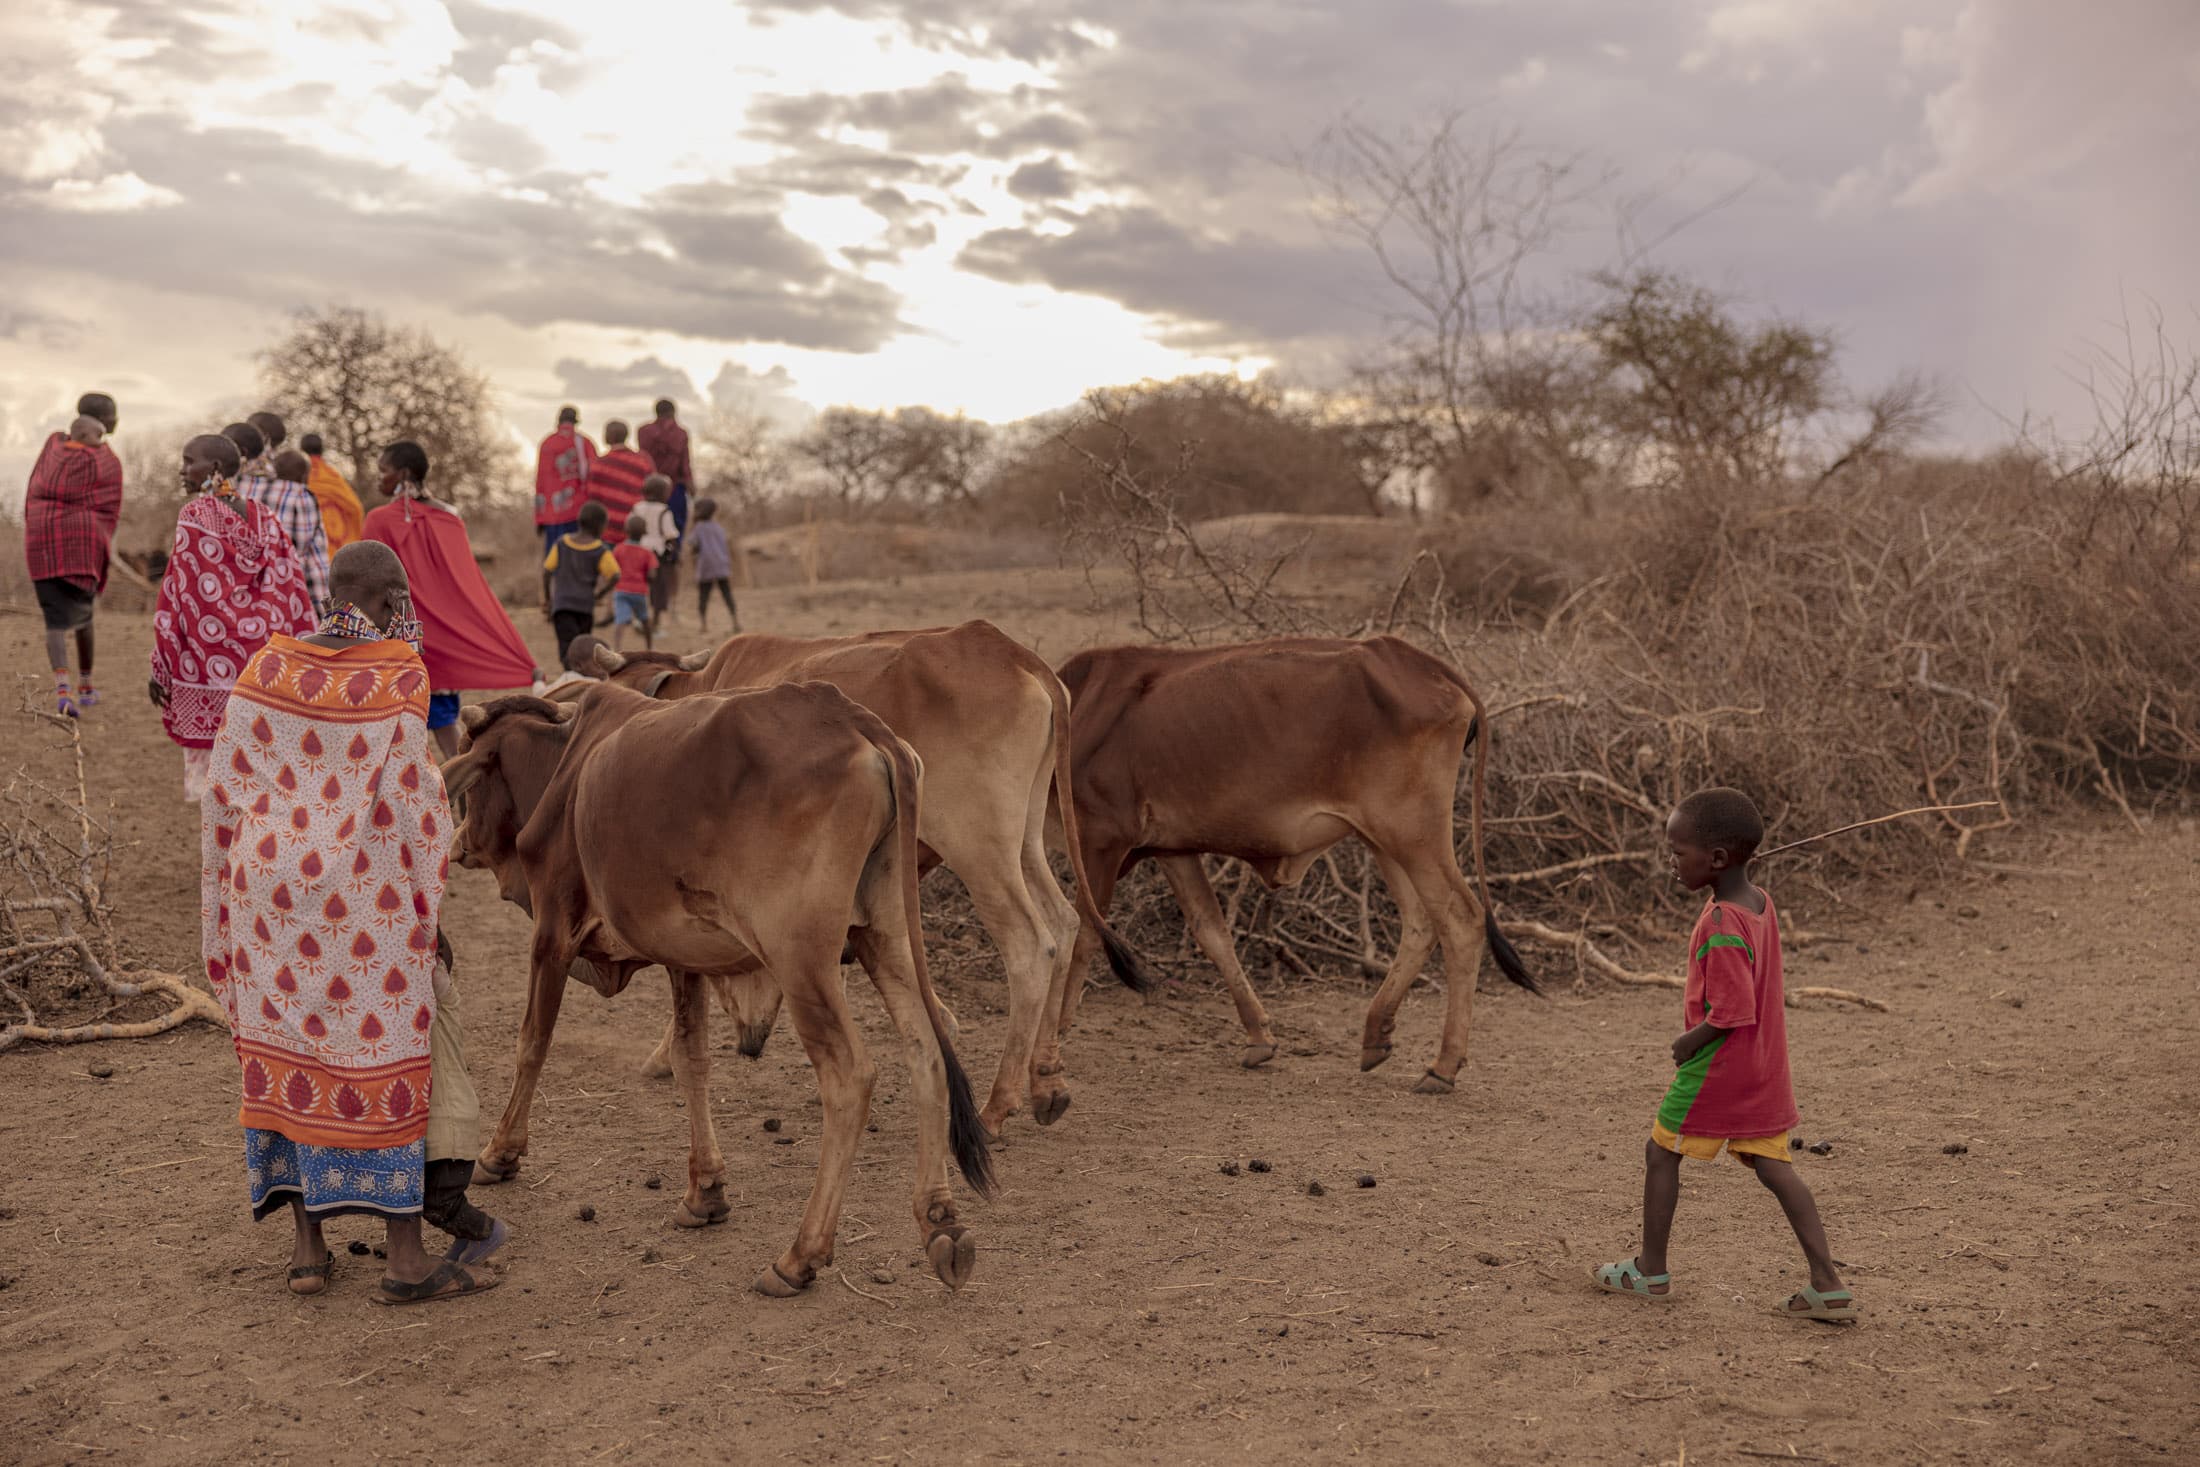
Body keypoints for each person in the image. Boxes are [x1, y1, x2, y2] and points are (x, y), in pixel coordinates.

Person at [203, 541, 503, 1305]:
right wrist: (428, 914)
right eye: (403, 598)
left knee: (295, 1049)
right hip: (362, 906)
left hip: (267, 898)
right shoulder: (398, 674)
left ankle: (309, 1252)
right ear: (389, 597)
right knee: (385, 1058)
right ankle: (405, 1260)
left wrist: (230, 908)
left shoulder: (263, 672)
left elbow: (224, 793)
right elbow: (416, 808)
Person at [1593, 787, 1856, 1323]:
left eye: (1677, 851)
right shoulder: (1759, 904)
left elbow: (1731, 1011)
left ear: (1716, 859)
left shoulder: (1720, 923)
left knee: (1661, 1151)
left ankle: (1650, 1270)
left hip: (1719, 1067)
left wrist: (1689, 1041)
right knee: (1774, 1165)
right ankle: (1827, 1284)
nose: (1670, 862)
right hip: (1763, 1069)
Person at [149, 434, 315, 799]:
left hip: (210, 666)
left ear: (215, 469)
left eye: (188, 460)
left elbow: (180, 595)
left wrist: (162, 664)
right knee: (264, 784)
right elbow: (293, 592)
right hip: (265, 665)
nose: (182, 469)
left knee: (222, 794)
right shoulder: (267, 518)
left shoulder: (195, 515)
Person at [362, 441, 538, 758]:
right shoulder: (449, 516)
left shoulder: (378, 520)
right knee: (444, 724)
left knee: (389, 725)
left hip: (396, 636)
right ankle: (460, 788)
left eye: (383, 471)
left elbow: (370, 580)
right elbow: (461, 583)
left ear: (403, 473)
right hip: (440, 636)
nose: (379, 479)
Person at [23, 392, 123, 718]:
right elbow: (110, 503)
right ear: (103, 422)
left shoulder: (53, 446)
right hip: (82, 548)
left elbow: (34, 486)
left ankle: (63, 690)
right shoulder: (105, 459)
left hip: (42, 543)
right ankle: (86, 686)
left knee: (54, 620)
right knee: (84, 617)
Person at [227, 420, 331, 614]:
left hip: (233, 610)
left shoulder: (226, 492)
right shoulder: (295, 490)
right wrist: (325, 618)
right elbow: (312, 564)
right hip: (286, 605)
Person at [541, 501, 619, 666]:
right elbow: (615, 575)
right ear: (600, 526)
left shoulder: (561, 544)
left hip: (561, 606)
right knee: (581, 649)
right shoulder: (600, 550)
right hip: (585, 607)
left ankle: (571, 678)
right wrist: (599, 594)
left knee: (566, 649)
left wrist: (549, 600)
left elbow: (547, 571)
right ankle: (579, 679)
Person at [534, 406, 594, 556]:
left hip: (551, 513)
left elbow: (540, 482)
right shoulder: (584, 443)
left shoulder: (547, 443)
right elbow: (592, 477)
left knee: (553, 558)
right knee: (577, 557)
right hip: (578, 512)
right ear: (576, 421)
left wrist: (539, 518)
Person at [586, 420, 651, 545]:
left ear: (610, 436)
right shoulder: (643, 461)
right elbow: (652, 490)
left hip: (606, 529)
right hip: (635, 527)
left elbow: (592, 497)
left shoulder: (599, 464)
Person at [298, 432, 365, 553]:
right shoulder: (332, 475)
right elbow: (356, 508)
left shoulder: (300, 474)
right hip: (339, 545)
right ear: (321, 450)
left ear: (301, 450)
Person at [636, 397, 692, 536]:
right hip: (673, 488)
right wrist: (690, 485)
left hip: (648, 486)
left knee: (647, 527)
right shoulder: (680, 433)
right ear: (673, 412)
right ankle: (673, 556)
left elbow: (643, 458)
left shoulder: (643, 431)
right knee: (675, 527)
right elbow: (685, 465)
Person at [631, 474, 681, 629]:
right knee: (658, 586)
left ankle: (638, 617)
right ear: (662, 493)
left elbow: (630, 526)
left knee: (638, 583)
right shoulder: (664, 511)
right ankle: (656, 619)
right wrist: (675, 552)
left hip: (638, 549)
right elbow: (670, 534)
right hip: (656, 553)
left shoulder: (637, 507)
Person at [610, 513, 658, 651]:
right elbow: (652, 574)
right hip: (639, 591)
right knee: (644, 619)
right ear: (644, 533)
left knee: (620, 620)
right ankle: (649, 646)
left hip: (621, 590)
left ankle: (617, 648)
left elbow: (613, 569)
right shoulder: (647, 553)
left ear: (626, 530)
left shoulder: (619, 549)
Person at [689, 497, 737, 633]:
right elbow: (725, 546)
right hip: (721, 565)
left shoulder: (698, 528)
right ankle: (735, 622)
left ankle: (703, 625)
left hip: (706, 566)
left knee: (703, 596)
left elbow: (693, 545)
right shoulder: (719, 528)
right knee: (727, 593)